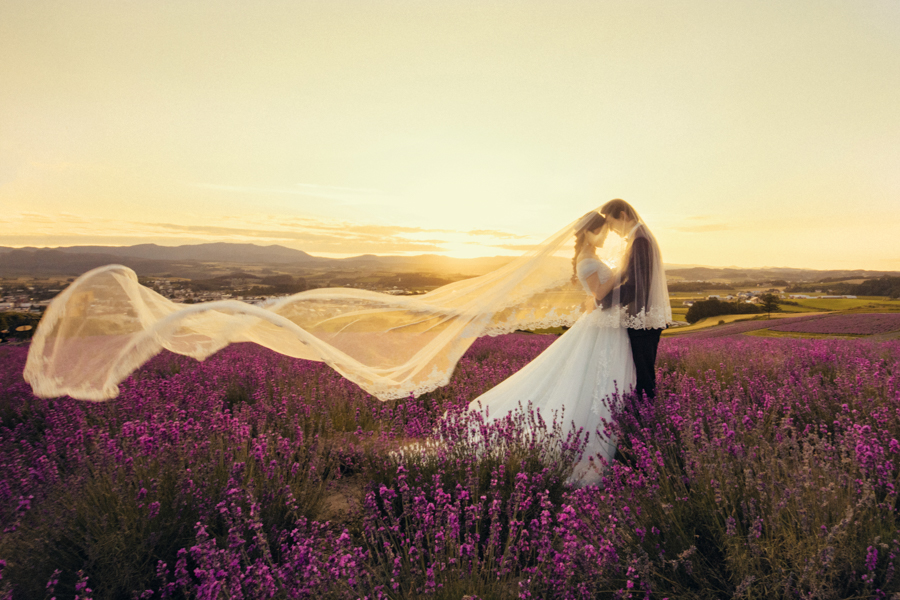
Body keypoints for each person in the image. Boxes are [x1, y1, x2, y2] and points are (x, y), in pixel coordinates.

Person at [466, 211, 636, 486]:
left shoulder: (589, 257)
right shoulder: (587, 260)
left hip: (604, 324)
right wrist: (621, 270)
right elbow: (601, 293)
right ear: (588, 232)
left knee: (598, 381)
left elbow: (592, 298)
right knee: (593, 381)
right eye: (601, 231)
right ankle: (587, 450)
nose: (605, 236)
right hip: (601, 328)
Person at [597, 199, 670, 400]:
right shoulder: (639, 237)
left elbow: (637, 286)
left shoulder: (639, 240)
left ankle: (646, 421)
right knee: (639, 375)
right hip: (642, 318)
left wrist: (601, 302)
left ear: (623, 215)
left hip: (643, 321)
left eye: (612, 224)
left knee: (643, 378)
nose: (612, 230)